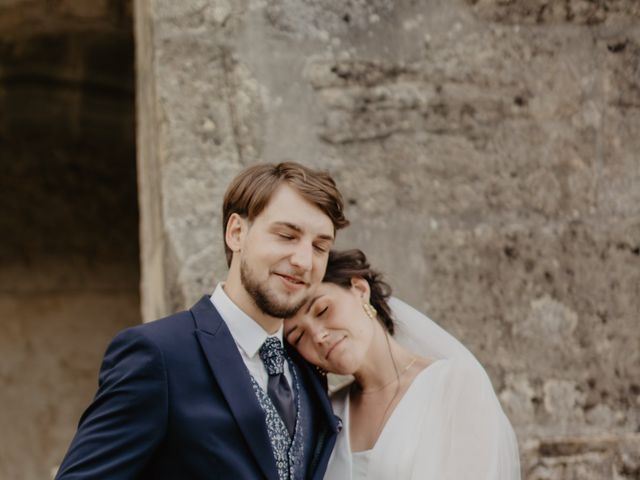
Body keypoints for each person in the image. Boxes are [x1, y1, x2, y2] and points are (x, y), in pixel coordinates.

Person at [55, 162, 349, 480]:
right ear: (236, 233)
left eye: (320, 247)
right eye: (286, 236)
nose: (304, 261)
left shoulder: (306, 365)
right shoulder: (158, 355)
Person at [284, 249, 521, 479]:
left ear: (359, 290)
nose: (318, 336)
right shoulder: (327, 415)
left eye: (322, 310)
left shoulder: (455, 386)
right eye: (299, 337)